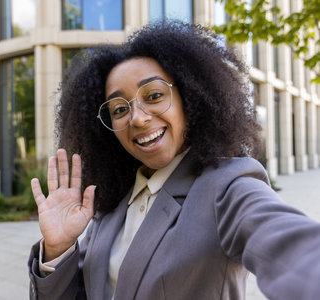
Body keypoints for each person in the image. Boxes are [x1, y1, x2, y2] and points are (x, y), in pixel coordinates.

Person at [27, 21, 320, 300]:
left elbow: (293, 249)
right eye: (119, 110)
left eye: (154, 95)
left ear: (190, 97)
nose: (138, 118)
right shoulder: (111, 206)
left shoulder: (228, 187)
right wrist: (58, 248)